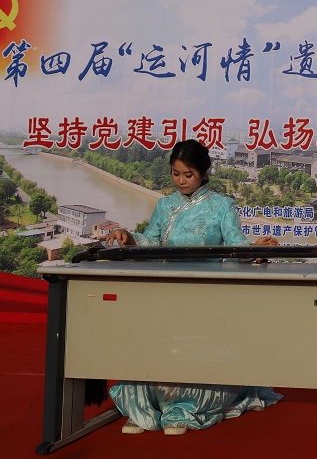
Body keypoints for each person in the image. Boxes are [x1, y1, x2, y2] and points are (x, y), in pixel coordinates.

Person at [101, 139, 281, 436]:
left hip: (207, 290)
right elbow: (152, 242)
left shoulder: (222, 206)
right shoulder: (165, 205)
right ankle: (146, 406)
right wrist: (129, 237)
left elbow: (235, 247)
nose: (181, 181)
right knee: (156, 342)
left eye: (188, 175)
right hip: (167, 287)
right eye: (176, 174)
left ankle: (185, 407)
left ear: (204, 172)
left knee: (194, 346)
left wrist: (254, 248)